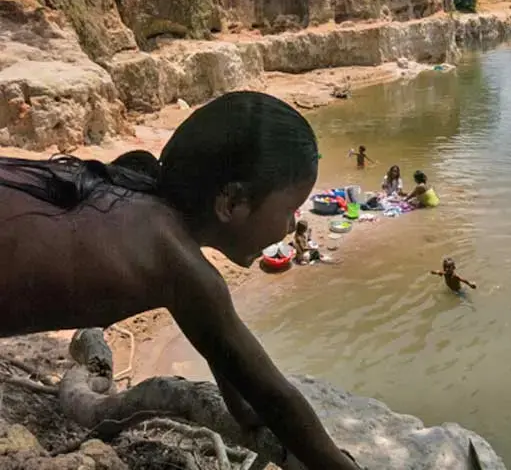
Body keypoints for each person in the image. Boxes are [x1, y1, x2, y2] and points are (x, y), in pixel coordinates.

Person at [0, 91, 361, 470]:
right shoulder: (178, 264)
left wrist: (248, 397)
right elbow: (275, 399)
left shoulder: (140, 200)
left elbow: (245, 401)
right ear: (231, 202)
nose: (290, 226)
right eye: (289, 210)